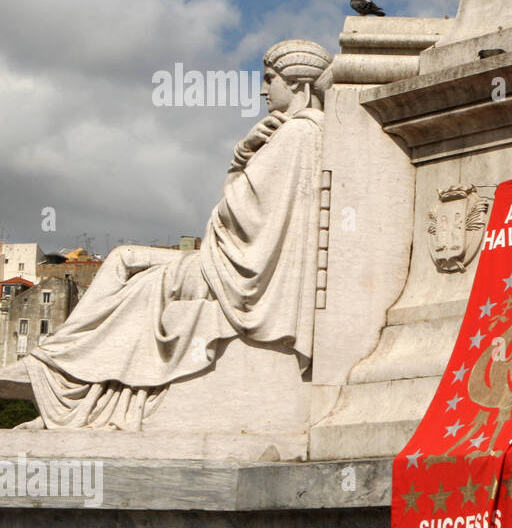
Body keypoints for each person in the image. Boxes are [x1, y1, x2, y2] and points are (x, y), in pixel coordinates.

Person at [5, 40, 331, 430]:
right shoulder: (295, 133)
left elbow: (238, 212)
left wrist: (241, 157)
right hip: (233, 260)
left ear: (296, 84)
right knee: (124, 256)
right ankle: (58, 361)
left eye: (269, 79)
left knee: (130, 266)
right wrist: (246, 154)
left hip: (234, 269)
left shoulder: (296, 134)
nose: (262, 90)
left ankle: (55, 363)